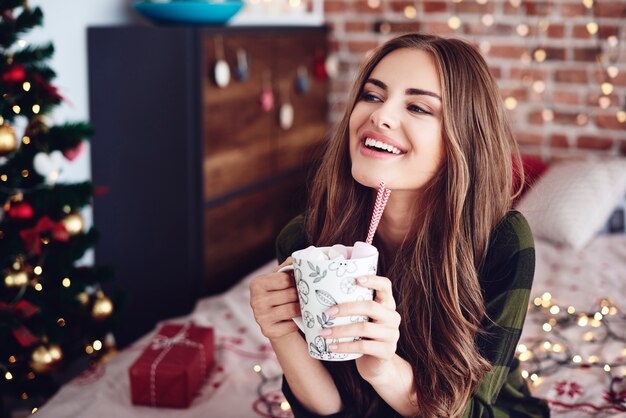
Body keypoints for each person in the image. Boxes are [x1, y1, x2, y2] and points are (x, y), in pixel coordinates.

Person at [249, 33, 550, 418]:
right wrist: (283, 335)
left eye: (419, 107)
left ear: (464, 139)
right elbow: (328, 412)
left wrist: (386, 371)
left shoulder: (501, 241)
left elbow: (472, 411)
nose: (380, 115)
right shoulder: (304, 241)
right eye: (373, 96)